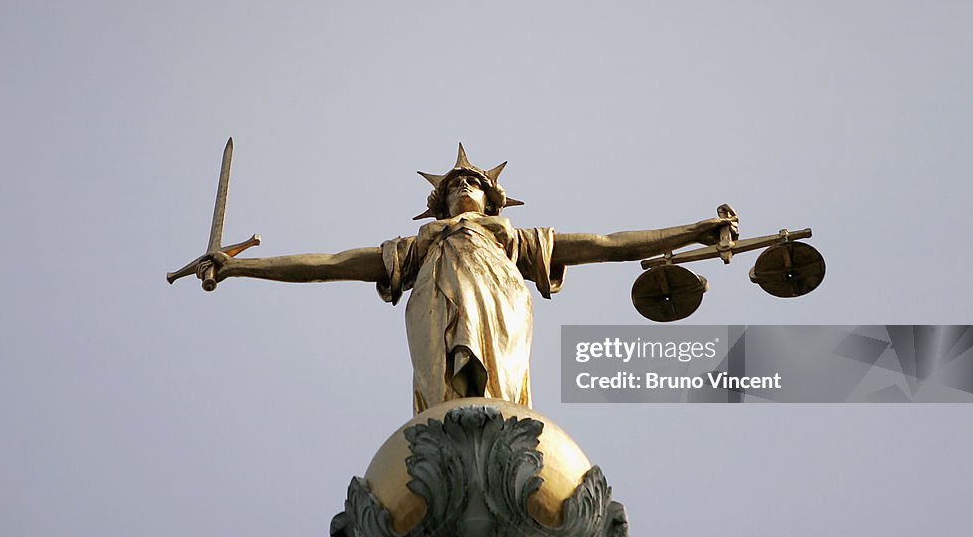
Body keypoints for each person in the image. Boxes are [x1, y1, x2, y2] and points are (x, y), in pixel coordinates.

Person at [206, 145, 732, 414]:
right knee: (442, 403)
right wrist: (242, 266)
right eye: (454, 183)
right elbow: (330, 265)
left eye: (472, 182)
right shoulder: (420, 247)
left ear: (491, 197)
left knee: (499, 398)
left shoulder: (510, 239)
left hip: (500, 302)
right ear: (436, 203)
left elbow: (608, 244)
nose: (462, 185)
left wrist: (691, 232)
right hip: (433, 305)